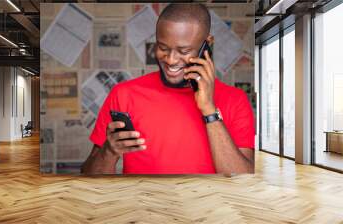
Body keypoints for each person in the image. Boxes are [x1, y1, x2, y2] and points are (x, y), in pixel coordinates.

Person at [81, 3, 255, 174]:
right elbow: (88, 176)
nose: (171, 60)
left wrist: (209, 110)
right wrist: (109, 152)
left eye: (184, 51)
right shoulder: (124, 94)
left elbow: (243, 182)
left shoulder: (235, 99)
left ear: (207, 44)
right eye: (163, 48)